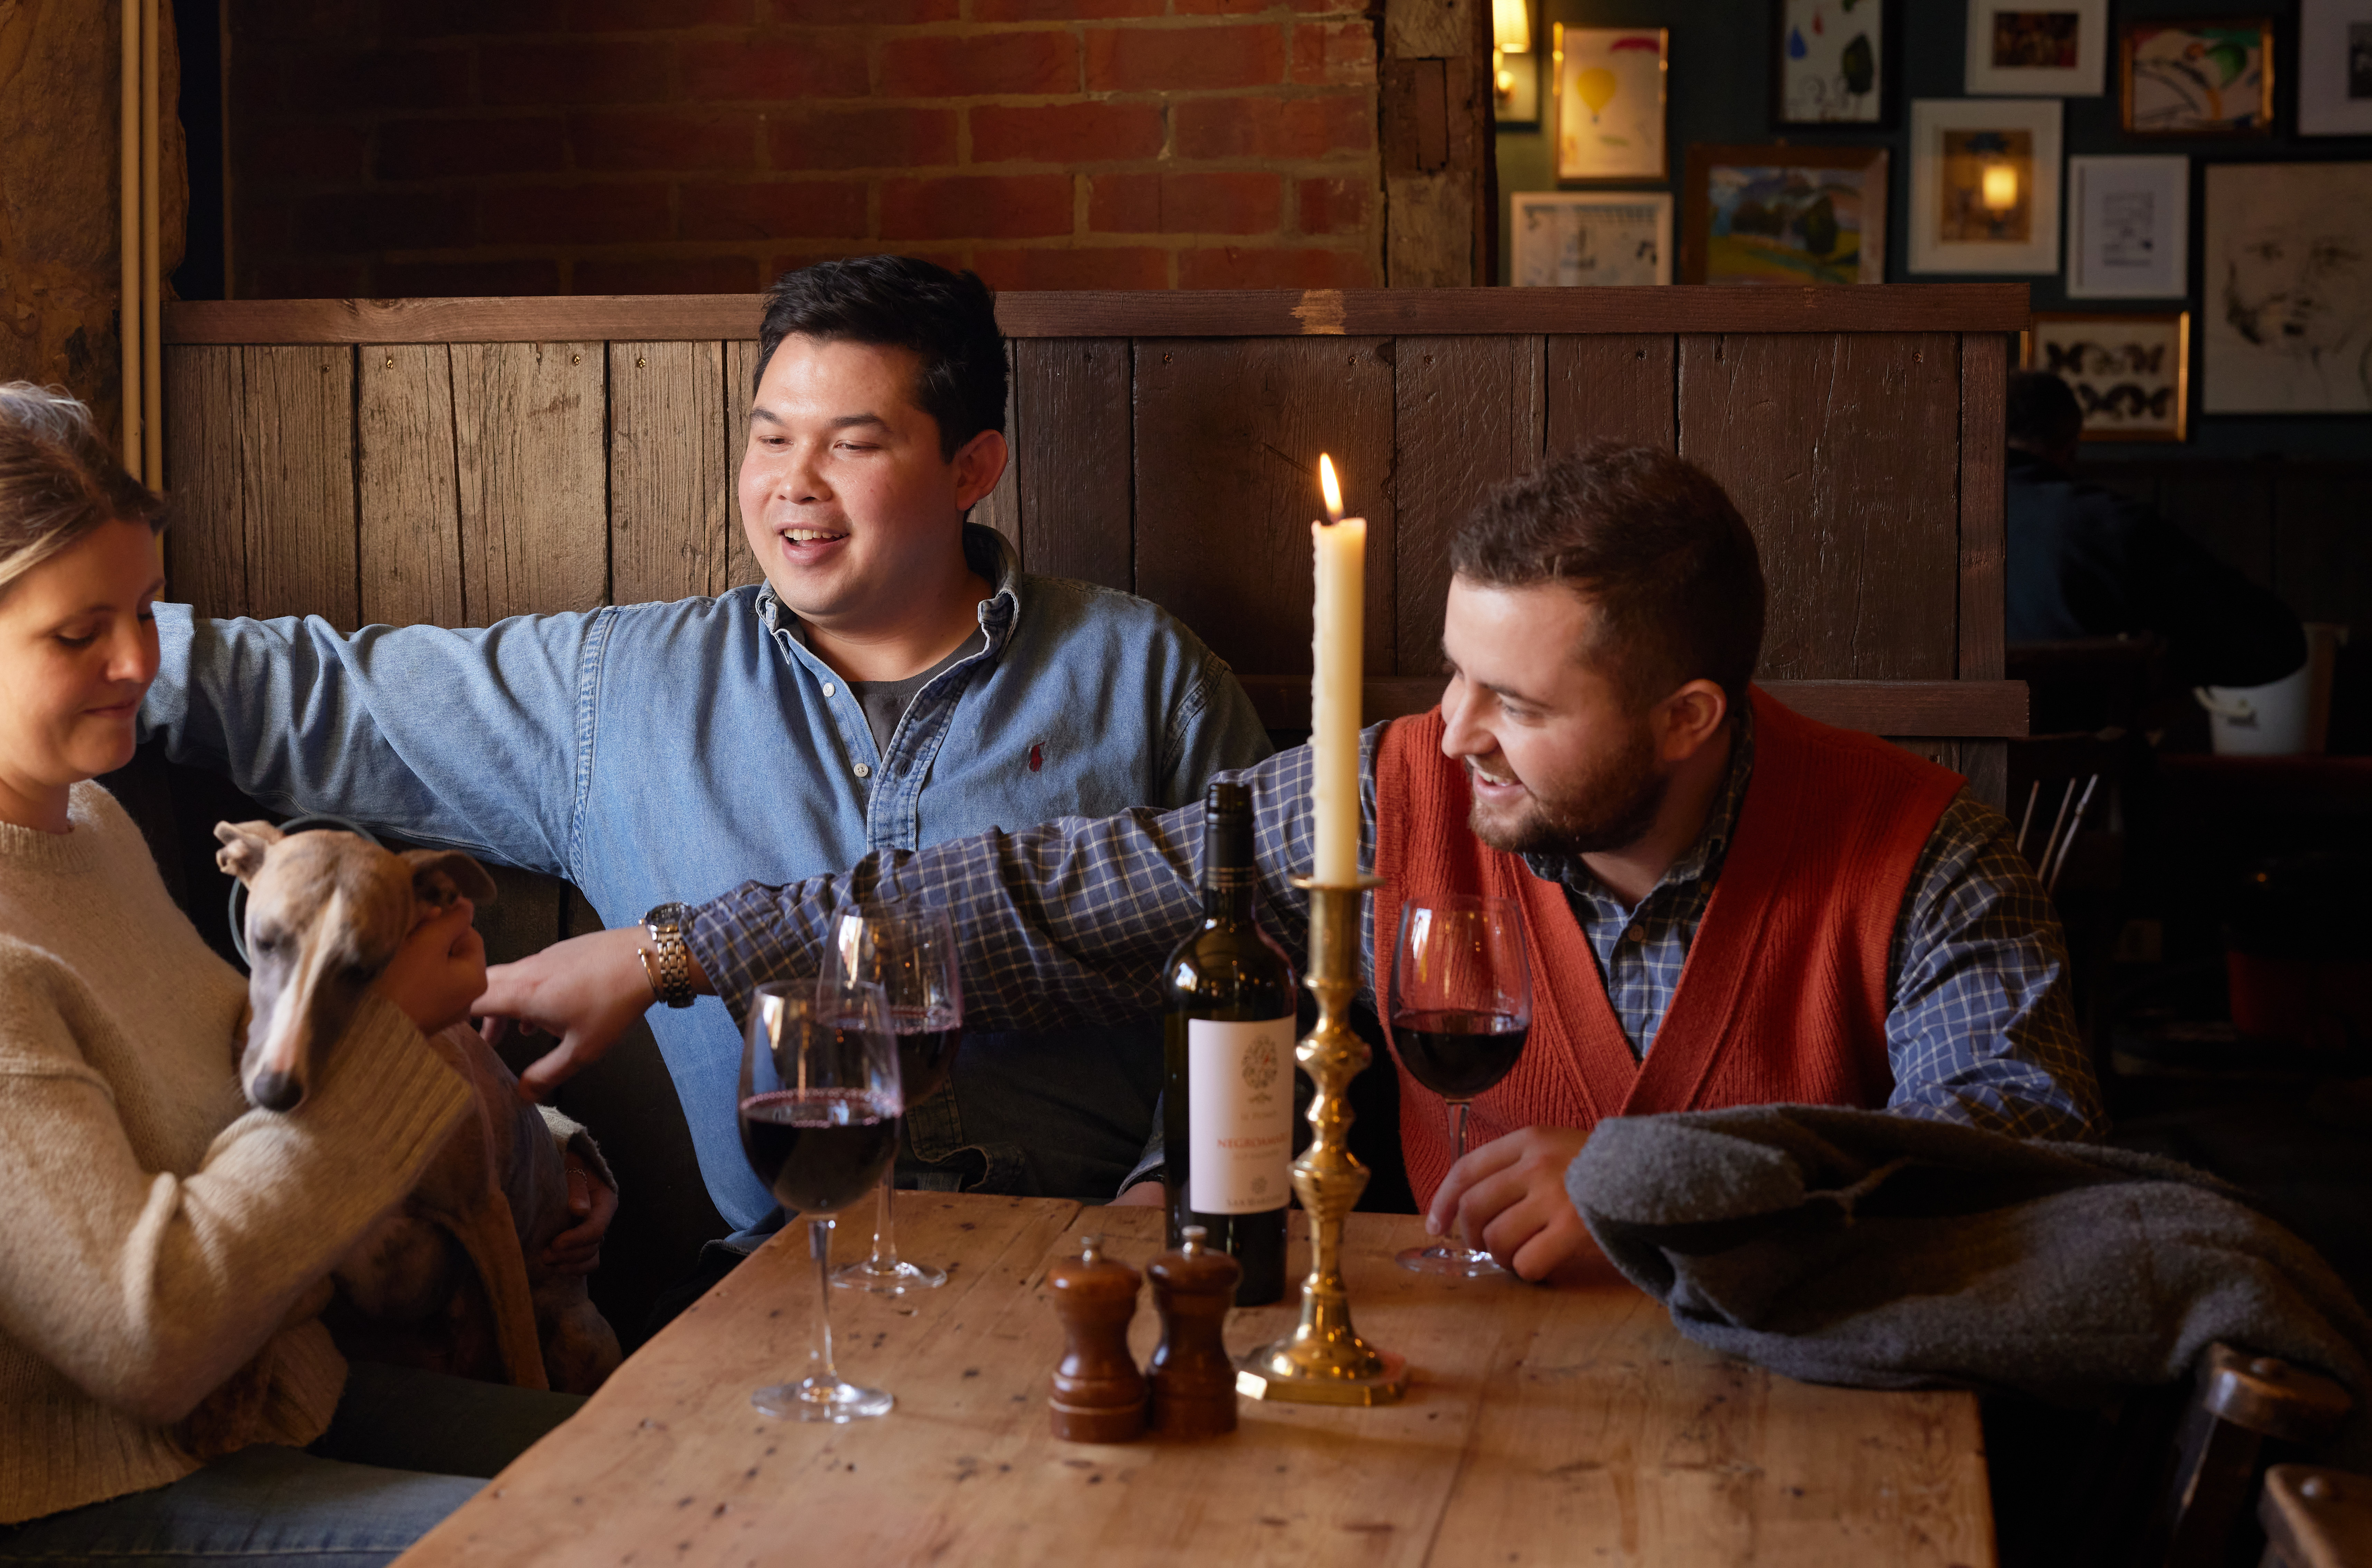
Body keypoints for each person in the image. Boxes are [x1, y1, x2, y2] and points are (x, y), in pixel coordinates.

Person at [0, 257, 1270, 1243]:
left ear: (972, 463)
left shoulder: (1140, 672)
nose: (792, 485)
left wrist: (1166, 1203)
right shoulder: (617, 689)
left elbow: (1262, 974)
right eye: (766, 435)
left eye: (854, 442)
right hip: (767, 1286)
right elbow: (327, 690)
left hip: (1105, 1260)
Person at [472, 443, 2106, 1283]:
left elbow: (2016, 1172)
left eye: (1518, 705)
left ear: (1687, 716)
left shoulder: (1926, 857)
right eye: (1451, 674)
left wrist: (1661, 1188)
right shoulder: (1396, 794)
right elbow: (1039, 899)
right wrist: (672, 947)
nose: (1451, 732)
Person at [0, 384, 583, 1568]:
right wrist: (385, 1036)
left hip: (259, 1402)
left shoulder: (79, 823)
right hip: (22, 1501)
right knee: (621, 1533)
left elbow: (214, 1122)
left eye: (146, 611)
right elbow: (147, 1336)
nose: (139, 661)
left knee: (681, 1452)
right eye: (77, 633)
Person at [2005, 369, 2307, 688]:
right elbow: (2277, 644)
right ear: (2070, 449)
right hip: (2081, 734)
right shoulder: (2106, 525)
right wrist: (2156, 667)